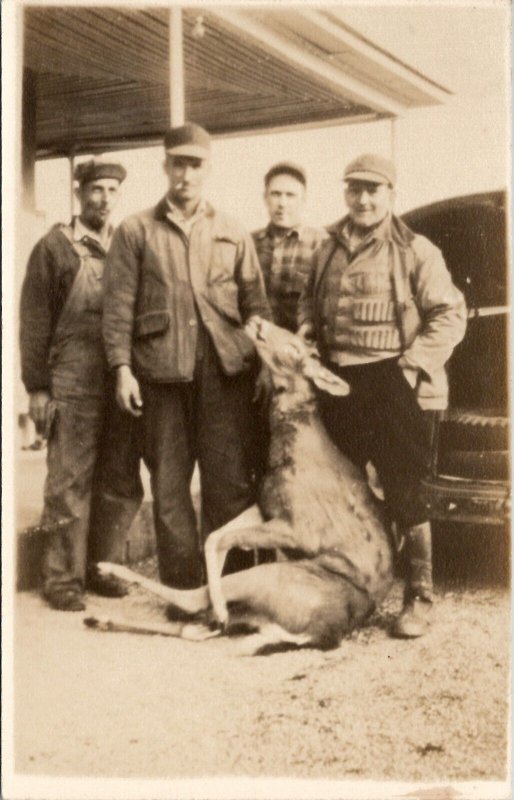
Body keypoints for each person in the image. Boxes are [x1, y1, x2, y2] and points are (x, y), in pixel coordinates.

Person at [298, 153, 467, 638]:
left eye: (374, 189)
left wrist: (411, 368)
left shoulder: (416, 249)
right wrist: (309, 329)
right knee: (346, 485)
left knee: (404, 488)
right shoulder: (326, 246)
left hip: (393, 379)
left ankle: (420, 596)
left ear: (391, 194)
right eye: (355, 189)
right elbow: (310, 302)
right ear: (345, 192)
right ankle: (355, 584)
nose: (364, 199)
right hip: (337, 382)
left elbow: (450, 316)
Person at [102, 122, 271, 597]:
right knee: (171, 487)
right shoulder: (136, 230)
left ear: (208, 169)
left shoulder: (233, 231)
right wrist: (121, 370)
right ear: (165, 167)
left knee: (230, 484)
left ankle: (235, 588)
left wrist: (261, 363)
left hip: (225, 378)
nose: (186, 175)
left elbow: (257, 307)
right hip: (160, 378)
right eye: (178, 164)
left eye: (195, 165)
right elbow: (116, 309)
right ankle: (182, 590)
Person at [20, 158, 144, 611]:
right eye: (96, 190)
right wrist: (37, 388)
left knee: (118, 479)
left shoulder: (126, 245)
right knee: (69, 482)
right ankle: (62, 581)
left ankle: (102, 569)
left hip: (118, 379)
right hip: (71, 381)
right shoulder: (54, 248)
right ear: (79, 193)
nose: (104, 198)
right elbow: (33, 324)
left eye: (112, 190)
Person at [252, 161, 326, 332]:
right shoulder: (248, 243)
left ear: (304, 199)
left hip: (303, 348)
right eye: (275, 194)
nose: (282, 203)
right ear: (265, 198)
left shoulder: (321, 244)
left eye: (290, 195)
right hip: (255, 348)